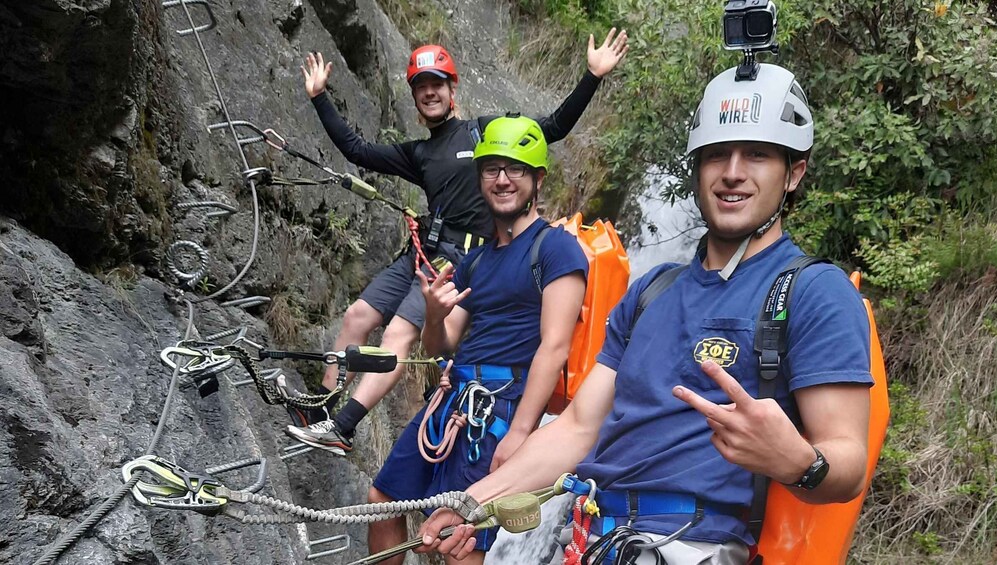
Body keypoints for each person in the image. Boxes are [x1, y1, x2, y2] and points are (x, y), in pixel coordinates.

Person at [415, 63, 874, 565]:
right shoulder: (652, 291)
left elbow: (847, 461)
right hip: (594, 537)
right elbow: (578, 428)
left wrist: (799, 462)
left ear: (795, 173)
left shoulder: (813, 292)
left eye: (758, 155)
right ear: (697, 168)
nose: (733, 172)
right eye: (716, 155)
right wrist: (472, 501)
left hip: (691, 545)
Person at [284, 31, 628, 455]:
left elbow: (552, 127)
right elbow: (357, 150)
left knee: (397, 333)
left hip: (457, 258)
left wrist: (592, 77)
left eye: (437, 85)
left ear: (452, 90)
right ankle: (322, 410)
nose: (429, 93)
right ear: (415, 97)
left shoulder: (484, 135)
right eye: (421, 87)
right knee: (356, 316)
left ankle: (344, 427)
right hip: (422, 252)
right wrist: (319, 97)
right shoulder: (418, 154)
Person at [367, 115, 589, 565]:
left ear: (537, 179)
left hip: (499, 409)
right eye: (492, 169)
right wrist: (432, 315)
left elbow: (554, 346)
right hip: (451, 399)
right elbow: (441, 346)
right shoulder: (476, 260)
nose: (502, 179)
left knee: (458, 540)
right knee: (383, 499)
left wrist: (522, 433)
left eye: (515, 169)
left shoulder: (556, 249)